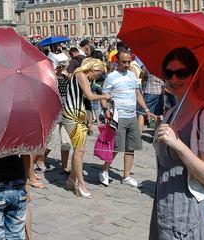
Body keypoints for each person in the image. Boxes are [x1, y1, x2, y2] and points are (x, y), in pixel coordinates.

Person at [149, 47, 204, 239]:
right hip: (164, 207)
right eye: (169, 73)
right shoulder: (171, 112)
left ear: (194, 75)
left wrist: (178, 145)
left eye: (181, 73)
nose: (174, 79)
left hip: (191, 211)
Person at [99, 49, 153, 187]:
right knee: (116, 147)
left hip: (132, 115)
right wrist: (105, 110)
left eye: (129, 61)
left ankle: (126, 176)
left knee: (131, 147)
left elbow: (138, 94)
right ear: (117, 61)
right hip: (118, 116)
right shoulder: (111, 76)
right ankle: (105, 171)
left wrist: (146, 110)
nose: (127, 64)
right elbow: (104, 96)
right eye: (124, 62)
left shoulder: (132, 75)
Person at [63, 58, 110, 198]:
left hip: (77, 115)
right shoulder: (81, 75)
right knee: (80, 150)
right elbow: (89, 96)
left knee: (79, 148)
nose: (95, 78)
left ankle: (71, 180)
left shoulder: (82, 76)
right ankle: (80, 184)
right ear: (92, 69)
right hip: (72, 115)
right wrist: (105, 96)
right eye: (96, 74)